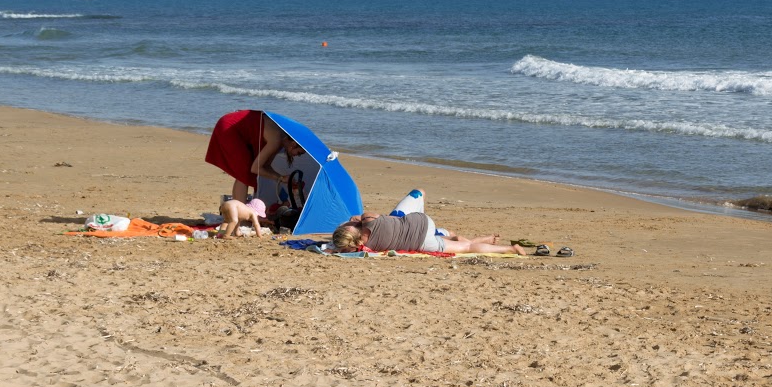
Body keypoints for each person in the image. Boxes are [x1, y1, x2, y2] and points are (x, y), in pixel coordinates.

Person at [204, 110, 308, 201]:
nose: (297, 156)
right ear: (293, 144)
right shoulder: (276, 140)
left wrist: (283, 179)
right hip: (229, 127)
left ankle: (236, 212)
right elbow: (256, 168)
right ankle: (239, 215)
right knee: (244, 174)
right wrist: (279, 177)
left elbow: (265, 166)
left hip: (231, 124)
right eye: (299, 153)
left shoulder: (280, 140)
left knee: (243, 173)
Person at [332, 210, 530, 255]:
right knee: (465, 243)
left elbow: (342, 250)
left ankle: (509, 249)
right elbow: (356, 216)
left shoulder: (364, 248)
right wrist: (354, 221)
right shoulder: (368, 219)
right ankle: (503, 245)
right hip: (421, 223)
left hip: (420, 242)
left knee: (466, 247)